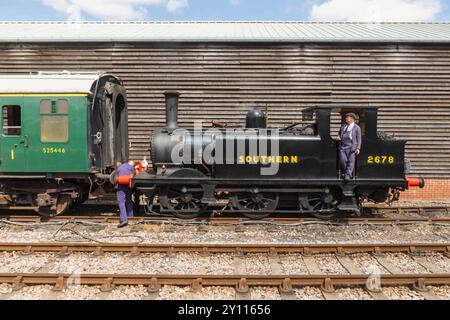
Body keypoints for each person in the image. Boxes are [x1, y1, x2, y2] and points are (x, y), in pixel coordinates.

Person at [336, 113, 362, 181]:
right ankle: (344, 173)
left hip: (351, 147)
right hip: (343, 146)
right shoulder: (343, 126)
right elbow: (339, 133)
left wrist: (358, 148)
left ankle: (348, 175)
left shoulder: (357, 128)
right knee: (343, 161)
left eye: (347, 117)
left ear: (352, 118)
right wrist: (338, 136)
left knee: (350, 162)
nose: (346, 119)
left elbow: (359, 139)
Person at [116, 160, 135, 228]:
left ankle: (124, 219)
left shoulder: (119, 168)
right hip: (129, 185)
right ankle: (131, 216)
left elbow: (116, 178)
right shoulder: (131, 168)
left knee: (121, 202)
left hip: (121, 186)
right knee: (129, 200)